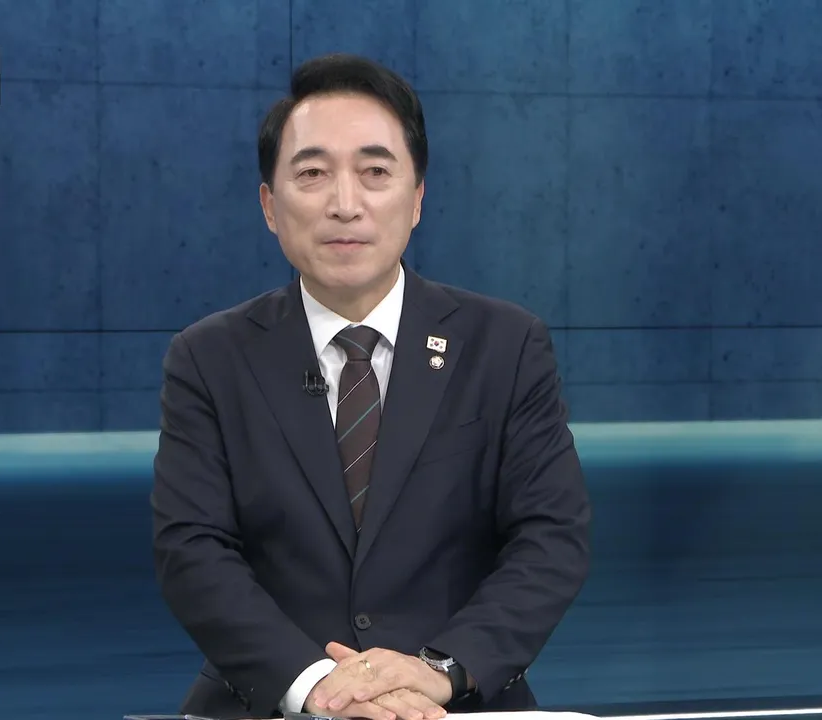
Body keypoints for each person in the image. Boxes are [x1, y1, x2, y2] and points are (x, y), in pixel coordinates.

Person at [151, 52, 591, 720]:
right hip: (272, 703)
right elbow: (192, 550)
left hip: (456, 703)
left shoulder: (505, 346)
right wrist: (315, 686)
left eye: (375, 172)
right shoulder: (209, 357)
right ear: (270, 205)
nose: (345, 204)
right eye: (312, 173)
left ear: (417, 200)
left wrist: (439, 670)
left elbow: (551, 537)